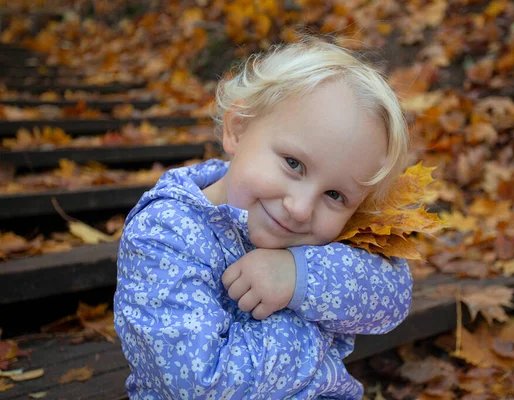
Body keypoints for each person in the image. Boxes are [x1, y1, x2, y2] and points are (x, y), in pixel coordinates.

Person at [113, 36, 413, 399]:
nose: (301, 208)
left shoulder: (316, 233)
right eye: (293, 164)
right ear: (237, 128)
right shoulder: (163, 232)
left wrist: (299, 276)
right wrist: (319, 336)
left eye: (334, 195)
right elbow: (198, 385)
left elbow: (393, 294)